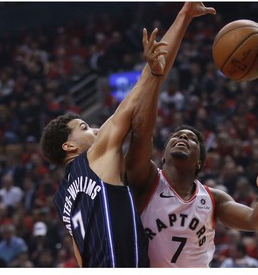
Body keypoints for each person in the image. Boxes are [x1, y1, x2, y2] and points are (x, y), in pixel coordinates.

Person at [124, 3, 258, 267]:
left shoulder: (213, 198)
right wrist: (155, 74)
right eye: (176, 135)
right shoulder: (147, 181)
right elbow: (141, 133)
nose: (182, 137)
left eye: (192, 138)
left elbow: (257, 221)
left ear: (199, 162)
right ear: (162, 156)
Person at [40, 26, 168, 267]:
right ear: (69, 146)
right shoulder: (93, 158)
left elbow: (79, 256)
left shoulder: (62, 198)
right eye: (85, 127)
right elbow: (134, 99)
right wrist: (152, 69)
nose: (96, 130)